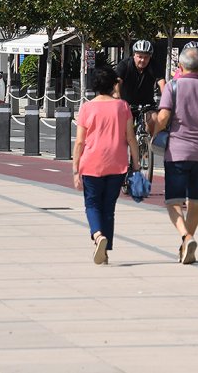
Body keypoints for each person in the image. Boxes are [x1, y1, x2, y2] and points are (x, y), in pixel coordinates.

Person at [154, 47, 198, 264]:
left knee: (173, 202)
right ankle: (187, 244)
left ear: (180, 66)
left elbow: (164, 117)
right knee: (195, 201)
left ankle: (186, 237)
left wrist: (154, 128)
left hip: (177, 152)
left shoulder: (173, 87)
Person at [72, 67, 140, 265]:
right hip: (117, 163)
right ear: (113, 85)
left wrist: (75, 169)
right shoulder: (123, 106)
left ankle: (97, 235)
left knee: (92, 204)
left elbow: (79, 142)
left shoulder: (86, 108)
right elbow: (131, 138)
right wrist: (136, 163)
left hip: (91, 162)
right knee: (109, 208)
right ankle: (105, 250)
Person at [115, 39, 166, 134]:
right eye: (140, 56)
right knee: (121, 130)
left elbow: (162, 83)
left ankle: (150, 146)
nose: (143, 60)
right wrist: (118, 100)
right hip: (127, 104)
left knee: (154, 121)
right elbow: (117, 83)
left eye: (146, 57)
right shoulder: (124, 65)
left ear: (150, 57)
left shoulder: (154, 65)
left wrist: (166, 101)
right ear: (134, 55)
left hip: (147, 104)